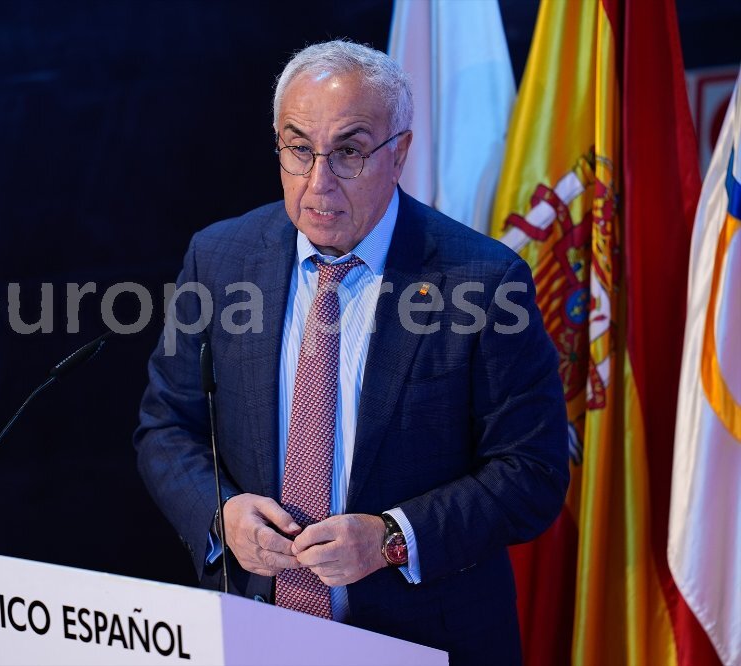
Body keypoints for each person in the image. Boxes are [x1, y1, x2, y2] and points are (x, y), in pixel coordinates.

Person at [134, 40, 568, 664]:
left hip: (424, 640)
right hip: (253, 633)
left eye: (348, 153)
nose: (319, 184)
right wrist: (220, 514)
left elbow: (532, 472)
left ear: (400, 155)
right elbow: (166, 428)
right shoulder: (220, 259)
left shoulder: (483, 280)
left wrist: (392, 538)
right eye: (299, 149)